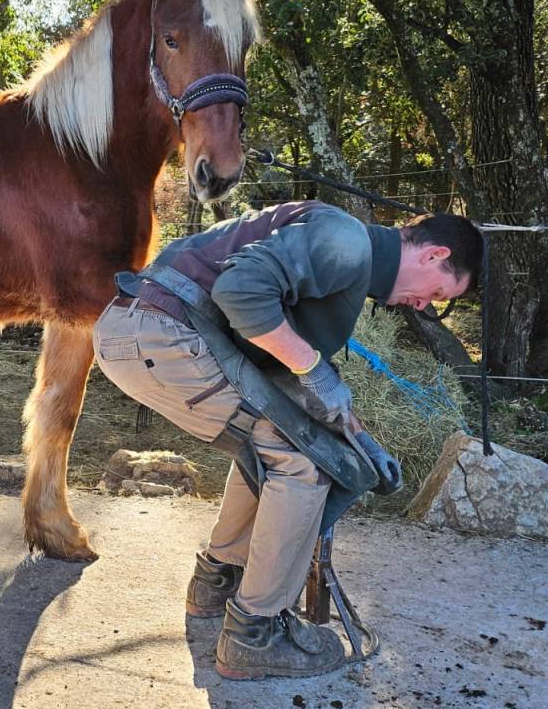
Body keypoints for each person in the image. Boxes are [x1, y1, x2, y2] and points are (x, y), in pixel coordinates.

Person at [93, 201, 482, 680]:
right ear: (433, 255)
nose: (424, 306)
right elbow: (241, 293)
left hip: (140, 328)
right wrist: (316, 372)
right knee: (304, 465)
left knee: (270, 445)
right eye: (437, 294)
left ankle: (220, 582)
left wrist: (361, 437)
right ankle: (255, 634)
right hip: (165, 332)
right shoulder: (346, 241)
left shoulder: (342, 252)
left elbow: (282, 362)